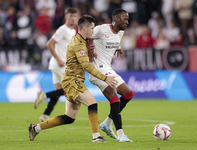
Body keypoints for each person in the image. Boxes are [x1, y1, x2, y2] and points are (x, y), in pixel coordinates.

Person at [28, 14, 118, 142]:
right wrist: (105, 78)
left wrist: (88, 53)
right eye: (92, 28)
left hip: (71, 80)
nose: (93, 31)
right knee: (92, 102)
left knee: (69, 118)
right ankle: (96, 137)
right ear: (85, 28)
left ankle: (35, 128)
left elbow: (81, 60)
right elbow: (85, 65)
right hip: (72, 80)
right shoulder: (78, 43)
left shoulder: (80, 40)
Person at [88, 8, 135, 142]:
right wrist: (87, 48)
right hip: (97, 70)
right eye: (125, 19)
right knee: (115, 99)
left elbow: (113, 41)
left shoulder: (120, 32)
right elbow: (83, 36)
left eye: (128, 19)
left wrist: (118, 48)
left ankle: (107, 123)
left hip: (107, 68)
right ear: (116, 19)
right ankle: (121, 136)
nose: (127, 21)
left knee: (128, 94)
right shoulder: (101, 29)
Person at [34, 7, 77, 122]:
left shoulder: (73, 31)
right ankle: (43, 95)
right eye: (70, 16)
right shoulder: (63, 29)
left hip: (61, 64)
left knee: (58, 90)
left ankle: (45, 115)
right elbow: (49, 44)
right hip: (59, 64)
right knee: (69, 90)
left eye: (74, 16)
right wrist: (58, 59)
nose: (72, 18)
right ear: (66, 17)